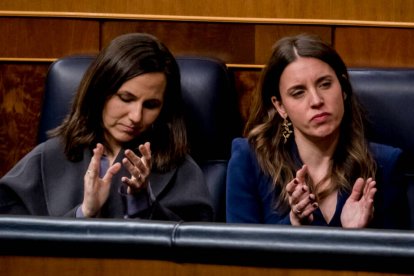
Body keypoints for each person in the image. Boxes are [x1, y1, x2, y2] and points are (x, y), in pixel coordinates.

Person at [0, 33, 214, 221]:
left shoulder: (180, 169)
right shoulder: (49, 157)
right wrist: (84, 213)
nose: (136, 116)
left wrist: (144, 203)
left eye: (151, 105)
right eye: (125, 98)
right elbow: (14, 236)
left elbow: (198, 250)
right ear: (99, 92)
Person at [226, 33, 410, 229]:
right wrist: (293, 224)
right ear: (280, 106)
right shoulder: (250, 159)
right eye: (298, 92)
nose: (316, 101)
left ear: (343, 88)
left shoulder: (384, 165)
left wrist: (357, 236)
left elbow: (397, 256)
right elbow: (240, 255)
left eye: (325, 84)